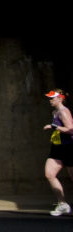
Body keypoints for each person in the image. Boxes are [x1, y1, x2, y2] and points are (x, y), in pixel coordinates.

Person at [43, 88, 73, 217]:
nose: (50, 100)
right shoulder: (55, 112)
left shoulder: (64, 112)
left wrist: (54, 127)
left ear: (60, 98)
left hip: (69, 148)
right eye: (49, 98)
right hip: (57, 148)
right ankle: (62, 204)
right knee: (49, 174)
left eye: (52, 98)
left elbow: (71, 130)